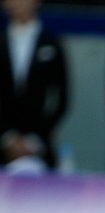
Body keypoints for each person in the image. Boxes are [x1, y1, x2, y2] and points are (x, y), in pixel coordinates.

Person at [0, 0, 67, 168]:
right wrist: (8, 138)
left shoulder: (52, 43)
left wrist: (35, 139)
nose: (15, 3)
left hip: (40, 146)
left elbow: (62, 98)